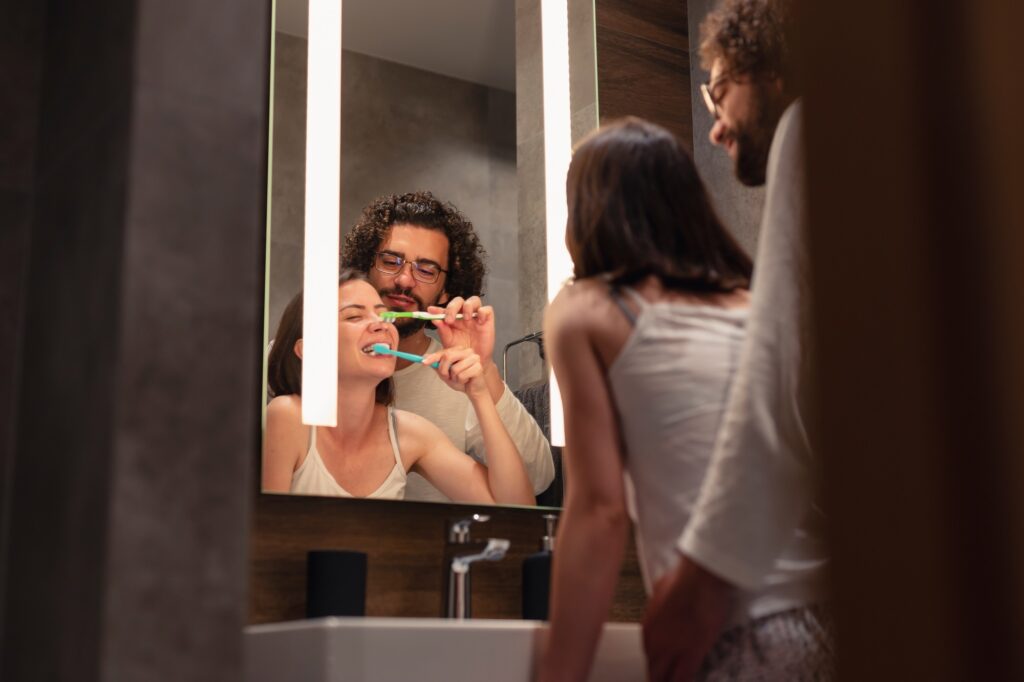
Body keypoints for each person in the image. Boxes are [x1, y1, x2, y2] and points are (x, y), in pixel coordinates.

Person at [642, 1, 832, 680]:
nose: (715, 126)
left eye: (720, 91)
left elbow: (778, 371)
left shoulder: (808, 130)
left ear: (770, 69)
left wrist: (701, 578)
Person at [536, 117, 755, 682]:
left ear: (586, 210)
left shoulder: (585, 309)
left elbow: (600, 511)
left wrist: (562, 673)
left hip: (728, 631)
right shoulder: (757, 308)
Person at [341, 191, 555, 503]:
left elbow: (537, 480)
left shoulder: (455, 380)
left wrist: (485, 372)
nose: (404, 280)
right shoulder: (299, 367)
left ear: (446, 291)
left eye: (426, 269)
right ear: (365, 268)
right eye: (391, 261)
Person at [262, 269, 535, 507]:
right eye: (355, 317)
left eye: (385, 316)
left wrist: (479, 391)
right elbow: (266, 534)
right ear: (310, 350)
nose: (381, 324)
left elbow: (515, 508)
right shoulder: (289, 416)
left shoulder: (410, 433)